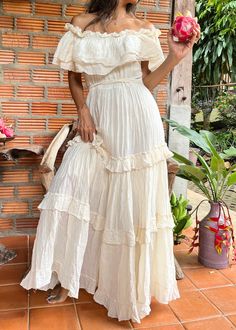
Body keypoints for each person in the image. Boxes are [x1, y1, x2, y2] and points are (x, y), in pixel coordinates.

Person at [20, 0, 200, 323]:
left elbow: (145, 83)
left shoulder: (143, 29)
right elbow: (74, 78)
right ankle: (66, 275)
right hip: (100, 118)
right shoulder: (83, 23)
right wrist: (83, 110)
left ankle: (126, 290)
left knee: (130, 207)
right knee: (72, 189)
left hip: (138, 123)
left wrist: (175, 56)